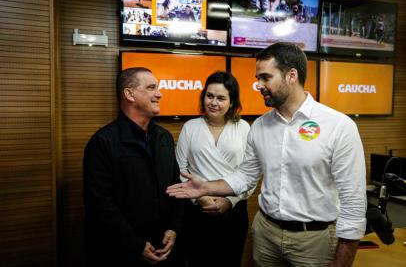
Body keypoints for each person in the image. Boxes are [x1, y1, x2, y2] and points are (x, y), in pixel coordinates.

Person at [167, 42, 367, 267]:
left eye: (265, 77)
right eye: (257, 78)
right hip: (265, 236)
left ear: (291, 75)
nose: (258, 85)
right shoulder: (261, 126)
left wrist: (343, 261)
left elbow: (353, 200)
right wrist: (207, 187)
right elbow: (245, 176)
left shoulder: (338, 125)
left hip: (314, 241)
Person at [83, 67, 185, 267]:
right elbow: (100, 205)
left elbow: (176, 186)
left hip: (165, 248)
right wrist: (135, 244)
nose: (159, 93)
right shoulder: (103, 142)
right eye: (151, 88)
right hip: (122, 253)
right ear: (129, 94)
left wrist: (174, 228)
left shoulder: (164, 137)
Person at [176, 71, 254, 267]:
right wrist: (199, 198)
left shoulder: (243, 127)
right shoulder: (190, 127)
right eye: (209, 96)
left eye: (221, 98)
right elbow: (179, 168)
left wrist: (230, 200)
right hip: (197, 210)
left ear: (231, 102)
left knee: (230, 261)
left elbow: (251, 172)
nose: (213, 102)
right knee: (197, 261)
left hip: (234, 211)